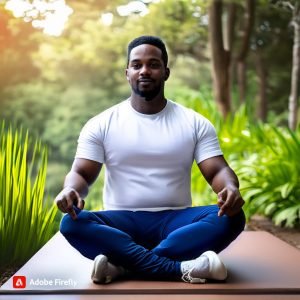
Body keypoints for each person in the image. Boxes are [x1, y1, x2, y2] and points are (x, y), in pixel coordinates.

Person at [55, 35, 245, 284]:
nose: (145, 70)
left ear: (166, 72)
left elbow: (217, 170)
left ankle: (122, 267)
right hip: (120, 224)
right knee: (71, 223)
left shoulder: (194, 122)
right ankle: (181, 268)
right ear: (127, 72)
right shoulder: (100, 124)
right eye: (137, 65)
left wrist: (229, 187)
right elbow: (81, 173)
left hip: (176, 223)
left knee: (233, 216)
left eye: (153, 64)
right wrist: (70, 189)